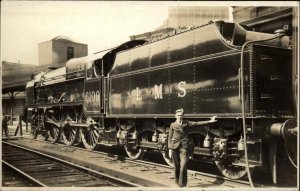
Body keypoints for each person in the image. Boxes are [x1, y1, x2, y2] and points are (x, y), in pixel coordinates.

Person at [168, 108, 217, 187]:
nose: (180, 117)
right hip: (174, 147)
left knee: (183, 165)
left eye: (181, 115)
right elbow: (169, 137)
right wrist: (170, 149)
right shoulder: (172, 125)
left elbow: (197, 123)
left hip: (184, 147)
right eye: (178, 115)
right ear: (175, 116)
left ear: (183, 116)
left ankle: (182, 184)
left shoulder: (186, 123)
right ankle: (177, 182)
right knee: (176, 166)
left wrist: (209, 121)